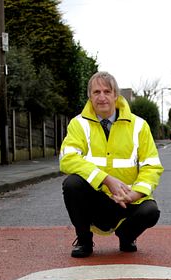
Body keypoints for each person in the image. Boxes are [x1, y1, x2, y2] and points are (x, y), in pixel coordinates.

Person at [60, 71, 164, 258]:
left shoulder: (139, 126)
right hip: (97, 200)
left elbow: (152, 166)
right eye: (96, 92)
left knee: (151, 211)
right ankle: (84, 240)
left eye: (107, 92)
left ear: (116, 95)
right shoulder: (78, 124)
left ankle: (126, 236)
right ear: (90, 97)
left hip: (129, 200)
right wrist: (106, 180)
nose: (102, 97)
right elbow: (68, 158)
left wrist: (134, 194)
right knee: (72, 184)